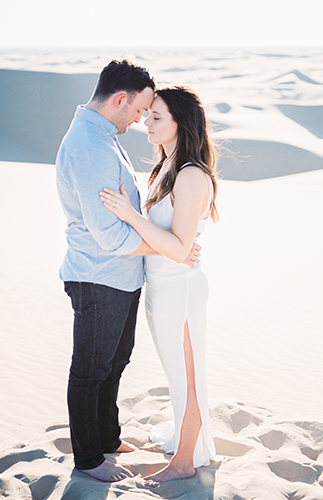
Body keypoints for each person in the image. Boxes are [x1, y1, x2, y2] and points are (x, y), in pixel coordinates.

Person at [99, 85, 218, 484]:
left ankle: (184, 461)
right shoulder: (166, 167)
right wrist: (170, 244)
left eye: (156, 117)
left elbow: (181, 247)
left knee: (188, 377)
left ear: (180, 124)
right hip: (161, 288)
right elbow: (173, 244)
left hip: (180, 292)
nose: (145, 123)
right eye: (147, 115)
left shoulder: (190, 175)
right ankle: (185, 443)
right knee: (176, 375)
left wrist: (132, 216)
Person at [55, 59, 157, 483]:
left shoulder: (100, 136)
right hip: (99, 278)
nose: (139, 119)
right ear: (120, 99)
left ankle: (108, 437)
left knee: (115, 362)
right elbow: (110, 236)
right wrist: (168, 248)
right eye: (138, 110)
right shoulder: (91, 147)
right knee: (91, 370)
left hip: (118, 277)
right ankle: (88, 458)